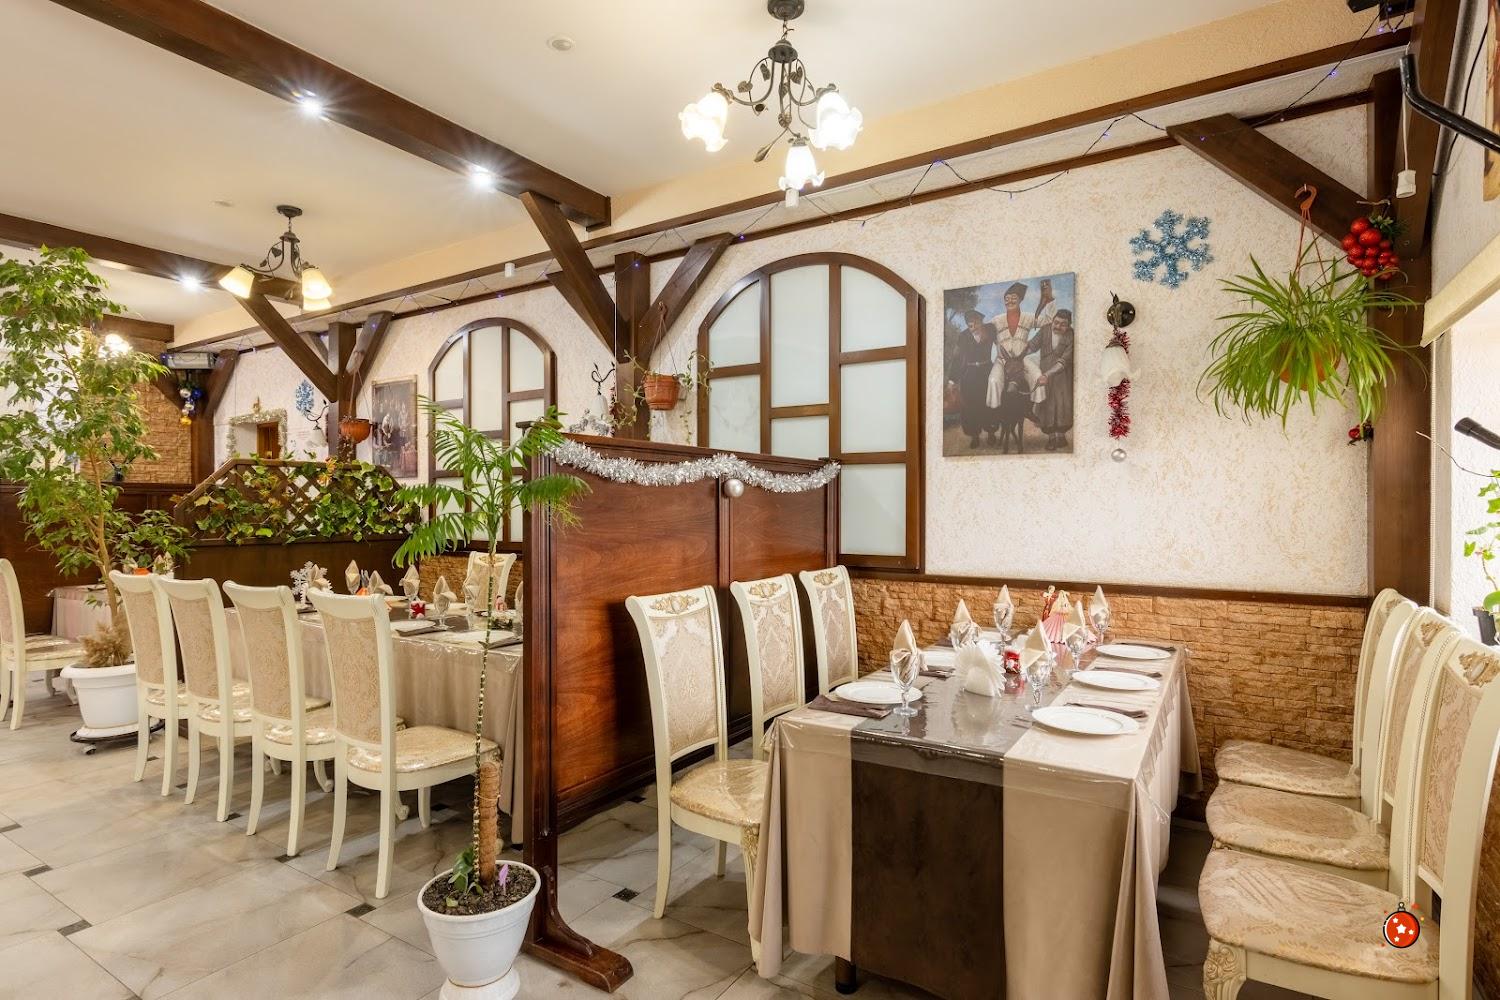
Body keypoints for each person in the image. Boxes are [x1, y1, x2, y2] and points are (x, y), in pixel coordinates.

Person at [986, 281, 1055, 453]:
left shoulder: (1029, 317)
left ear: (1020, 300)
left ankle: (1032, 410)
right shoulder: (996, 320)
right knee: (993, 380)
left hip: (1022, 359)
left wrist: (1049, 301)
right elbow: (984, 331)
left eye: (1013, 298)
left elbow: (1048, 321)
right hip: (1003, 361)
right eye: (1007, 298)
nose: (1009, 301)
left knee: (1037, 375)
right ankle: (995, 415)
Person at [951, 309, 998, 448]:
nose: (973, 326)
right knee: (970, 405)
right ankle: (974, 436)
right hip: (969, 373)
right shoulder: (963, 336)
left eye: (976, 322)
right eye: (970, 324)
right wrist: (952, 379)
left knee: (989, 402)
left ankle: (991, 432)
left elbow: (1002, 345)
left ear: (981, 321)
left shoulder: (990, 330)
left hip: (987, 371)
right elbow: (956, 358)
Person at [1033, 307, 1075, 451]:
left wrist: (1047, 375)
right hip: (1044, 375)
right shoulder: (1044, 330)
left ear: (1069, 325)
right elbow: (1032, 346)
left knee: (1063, 405)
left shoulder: (1071, 335)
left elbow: (1064, 361)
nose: (1058, 326)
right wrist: (1018, 356)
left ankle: (1061, 435)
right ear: (1052, 320)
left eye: (1063, 324)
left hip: (1063, 376)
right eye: (1056, 322)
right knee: (1047, 404)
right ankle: (1051, 437)